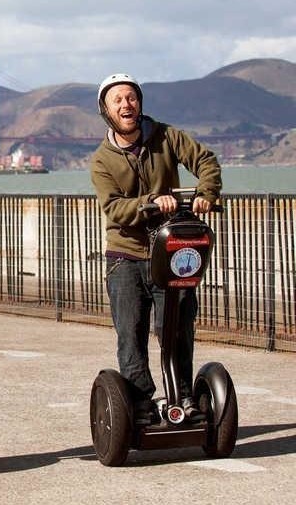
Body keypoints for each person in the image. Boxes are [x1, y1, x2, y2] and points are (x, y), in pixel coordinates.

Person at [90, 73, 222, 425]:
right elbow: (114, 208)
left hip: (170, 254)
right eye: (117, 100)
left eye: (131, 97)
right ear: (106, 110)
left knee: (177, 330)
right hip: (125, 257)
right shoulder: (102, 159)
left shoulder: (167, 136)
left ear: (140, 103)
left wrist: (206, 193)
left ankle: (183, 397)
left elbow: (205, 160)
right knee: (130, 335)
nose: (126, 104)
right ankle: (141, 404)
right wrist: (150, 203)